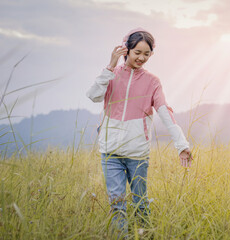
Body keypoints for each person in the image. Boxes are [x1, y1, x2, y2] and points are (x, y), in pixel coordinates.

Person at [86, 28, 193, 234]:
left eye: (147, 54)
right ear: (126, 50)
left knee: (140, 203)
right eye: (137, 52)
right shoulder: (111, 75)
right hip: (110, 153)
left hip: (137, 155)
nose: (142, 58)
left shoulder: (152, 81)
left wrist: (182, 145)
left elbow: (165, 114)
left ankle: (145, 236)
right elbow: (93, 96)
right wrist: (110, 66)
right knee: (117, 205)